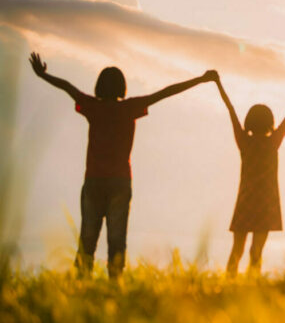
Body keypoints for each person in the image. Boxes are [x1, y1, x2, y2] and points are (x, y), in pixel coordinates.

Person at [28, 52, 216, 278]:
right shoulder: (129, 108)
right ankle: (115, 282)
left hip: (94, 181)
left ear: (99, 86)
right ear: (122, 87)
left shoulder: (92, 106)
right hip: (120, 181)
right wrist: (200, 79)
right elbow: (165, 92)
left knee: (88, 237)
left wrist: (43, 76)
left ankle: (81, 282)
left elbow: (68, 87)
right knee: (117, 239)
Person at [215, 75, 285, 277]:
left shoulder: (244, 142)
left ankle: (229, 285)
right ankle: (251, 289)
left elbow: (230, 109)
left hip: (246, 201)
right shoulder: (273, 141)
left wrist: (218, 83)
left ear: (248, 121)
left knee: (237, 250)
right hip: (266, 203)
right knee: (256, 252)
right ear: (270, 122)